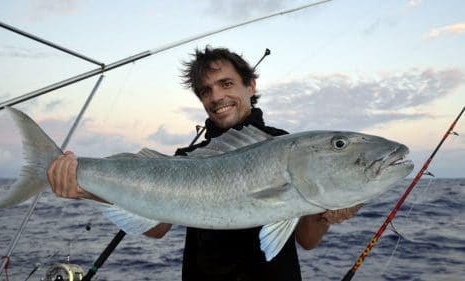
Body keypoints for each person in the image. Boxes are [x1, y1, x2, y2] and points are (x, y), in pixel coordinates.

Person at [47, 46, 362, 281]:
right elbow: (156, 227)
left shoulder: (287, 145)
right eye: (206, 91)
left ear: (250, 86)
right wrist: (86, 188)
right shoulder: (186, 159)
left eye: (226, 84)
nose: (217, 97)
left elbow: (307, 240)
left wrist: (328, 213)